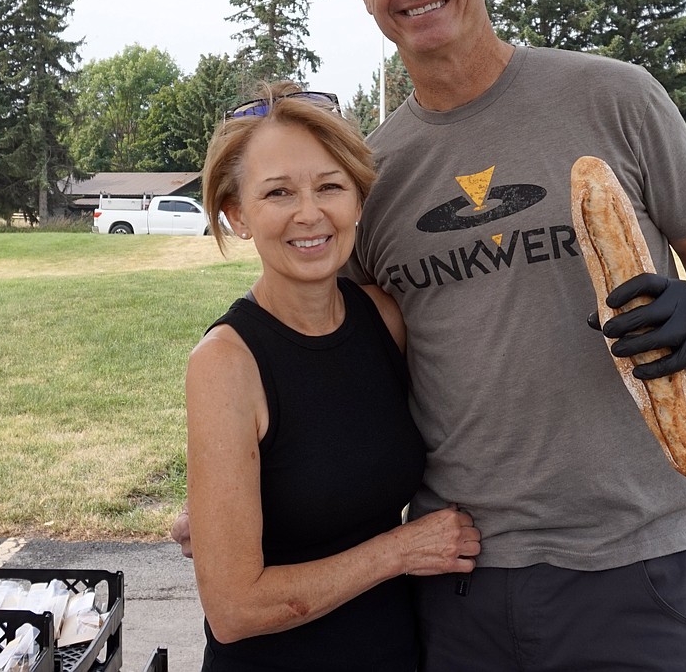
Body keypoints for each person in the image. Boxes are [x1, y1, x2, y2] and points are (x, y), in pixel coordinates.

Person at [342, 0, 686, 671]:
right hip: (460, 571)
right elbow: (341, 363)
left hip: (632, 559)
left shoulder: (615, 99)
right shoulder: (371, 175)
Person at [184, 80, 480, 672]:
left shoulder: (384, 320)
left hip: (396, 650)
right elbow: (234, 608)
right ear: (237, 215)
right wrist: (401, 550)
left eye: (329, 186)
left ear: (359, 200)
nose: (310, 213)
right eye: (277, 193)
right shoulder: (226, 363)